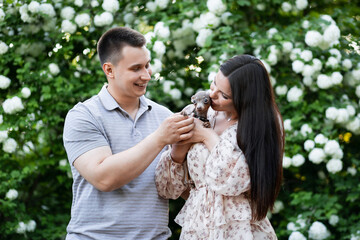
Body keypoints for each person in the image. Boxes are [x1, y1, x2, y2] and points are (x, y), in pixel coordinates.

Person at [63, 27, 194, 240]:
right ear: (109, 70)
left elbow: (186, 187)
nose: (146, 75)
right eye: (136, 68)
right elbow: (104, 178)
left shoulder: (164, 117)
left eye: (147, 65)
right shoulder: (84, 116)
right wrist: (159, 139)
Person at [155, 54, 284, 239]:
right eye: (214, 84)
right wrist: (178, 150)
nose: (212, 95)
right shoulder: (199, 112)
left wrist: (206, 135)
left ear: (244, 100)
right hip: (198, 227)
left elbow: (230, 181)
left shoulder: (259, 127)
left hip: (239, 229)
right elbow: (166, 188)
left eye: (224, 95)